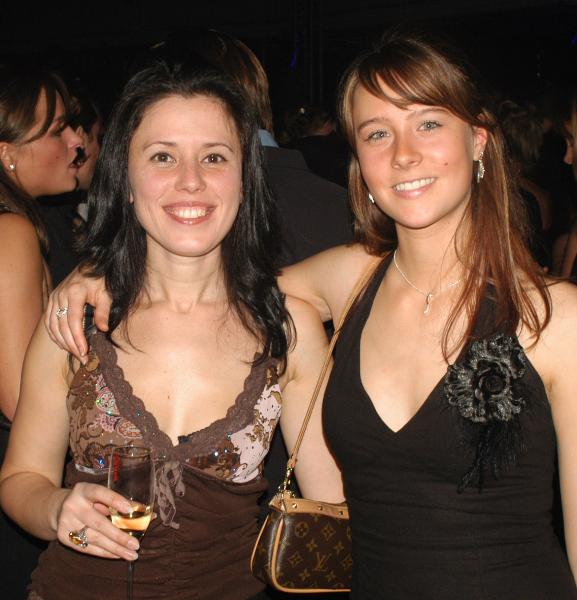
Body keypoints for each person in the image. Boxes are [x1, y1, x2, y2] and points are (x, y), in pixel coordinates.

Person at [48, 31, 577, 599]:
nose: (403, 153)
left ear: (478, 140)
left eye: (428, 123)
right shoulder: (349, 280)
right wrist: (102, 274)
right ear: (360, 162)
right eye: (377, 133)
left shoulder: (555, 319)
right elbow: (204, 285)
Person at [0, 62, 343, 600]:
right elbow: (21, 479)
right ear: (125, 179)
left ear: (245, 179)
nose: (191, 180)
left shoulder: (287, 327)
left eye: (214, 157)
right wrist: (55, 507)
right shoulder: (76, 320)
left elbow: (330, 506)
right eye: (163, 156)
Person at [0, 64, 83, 599]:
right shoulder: (10, 230)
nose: (77, 141)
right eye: (57, 130)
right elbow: (18, 397)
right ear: (7, 151)